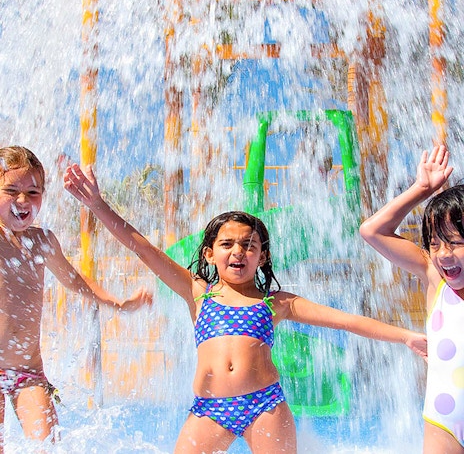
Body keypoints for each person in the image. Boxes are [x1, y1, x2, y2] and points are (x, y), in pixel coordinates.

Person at [64, 162, 428, 454]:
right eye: (227, 244)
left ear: (262, 256)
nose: (238, 251)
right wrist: (98, 205)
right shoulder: (197, 293)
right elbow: (142, 248)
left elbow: (347, 322)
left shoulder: (275, 303)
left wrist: (407, 337)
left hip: (265, 406)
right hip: (209, 409)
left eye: (249, 245)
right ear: (209, 253)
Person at [0, 146, 153, 452]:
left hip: (28, 372)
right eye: (11, 190)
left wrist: (118, 303)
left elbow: (74, 280)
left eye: (33, 192)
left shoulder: (42, 241)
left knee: (50, 446)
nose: (22, 200)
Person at [359, 144, 464, 454]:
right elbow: (372, 231)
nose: (444, 255)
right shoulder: (435, 277)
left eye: (455, 243)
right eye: (435, 244)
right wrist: (421, 190)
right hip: (444, 419)